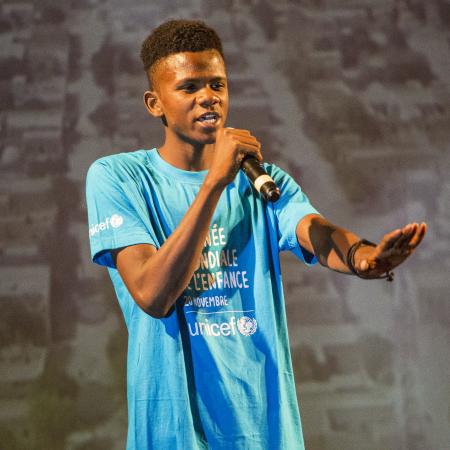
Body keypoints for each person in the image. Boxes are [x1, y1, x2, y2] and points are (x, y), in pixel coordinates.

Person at [85, 19, 426, 450]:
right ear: (155, 103)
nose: (208, 97)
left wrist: (363, 258)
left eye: (217, 84)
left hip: (265, 433)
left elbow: (314, 232)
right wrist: (214, 184)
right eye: (189, 88)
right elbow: (152, 294)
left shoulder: (261, 180)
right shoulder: (117, 178)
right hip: (172, 434)